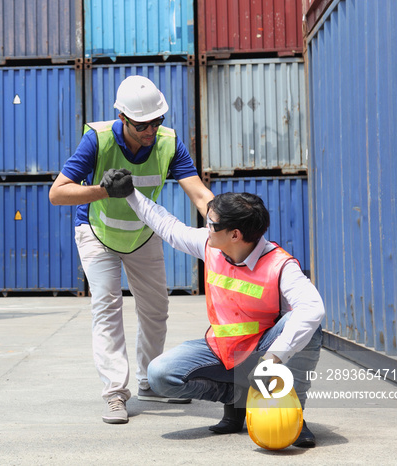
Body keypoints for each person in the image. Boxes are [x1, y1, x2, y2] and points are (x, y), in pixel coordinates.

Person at [102, 171, 323, 447]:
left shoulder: (280, 265)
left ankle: (294, 415)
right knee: (159, 375)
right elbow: (168, 227)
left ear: (235, 234)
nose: (206, 227)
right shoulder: (211, 246)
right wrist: (131, 195)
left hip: (263, 349)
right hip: (223, 349)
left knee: (310, 326)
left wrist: (274, 358)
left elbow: (313, 307)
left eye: (211, 223)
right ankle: (237, 396)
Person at [49, 75, 214, 425]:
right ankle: (114, 393)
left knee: (156, 309)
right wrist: (103, 190)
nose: (151, 130)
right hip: (98, 232)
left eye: (157, 121)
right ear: (122, 118)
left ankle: (151, 383)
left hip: (143, 234)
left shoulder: (169, 143)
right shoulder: (98, 139)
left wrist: (226, 223)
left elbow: (199, 193)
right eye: (142, 124)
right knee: (107, 307)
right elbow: (57, 193)